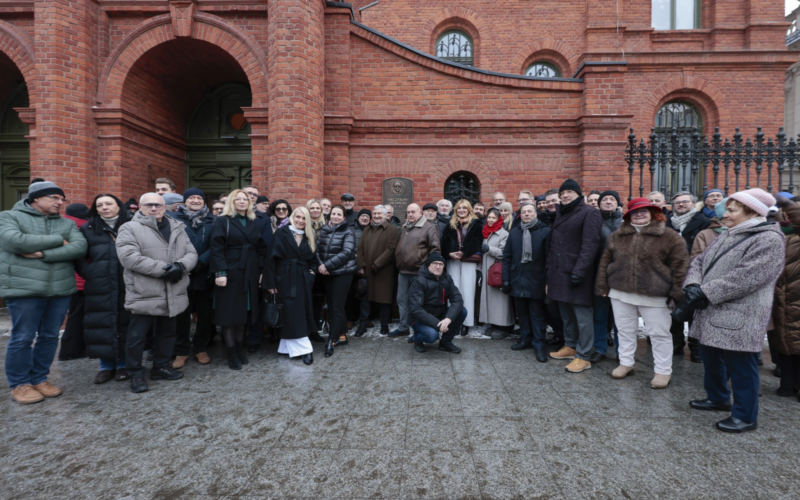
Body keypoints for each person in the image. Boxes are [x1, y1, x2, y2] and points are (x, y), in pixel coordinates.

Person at [684, 189, 784, 433]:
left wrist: (705, 292)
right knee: (711, 356)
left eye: (731, 210)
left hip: (740, 313)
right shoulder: (729, 233)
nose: (725, 214)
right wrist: (694, 284)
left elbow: (748, 277)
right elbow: (699, 261)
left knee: (741, 365)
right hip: (712, 309)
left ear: (752, 212)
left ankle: (745, 416)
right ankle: (718, 398)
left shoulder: (768, 239)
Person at [0, 181, 88, 404]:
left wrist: (41, 254)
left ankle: (40, 378)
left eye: (61, 199)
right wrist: (59, 241)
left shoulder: (67, 223)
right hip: (24, 289)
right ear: (36, 198)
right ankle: (20, 384)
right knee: (22, 337)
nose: (60, 203)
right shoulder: (9, 217)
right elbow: (14, 241)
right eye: (54, 198)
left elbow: (79, 247)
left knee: (49, 337)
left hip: (59, 289)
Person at [595, 198, 689, 388]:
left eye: (644, 211)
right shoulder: (617, 236)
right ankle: (626, 363)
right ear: (628, 215)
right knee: (624, 330)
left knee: (659, 334)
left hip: (655, 294)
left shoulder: (669, 236)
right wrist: (603, 285)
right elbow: (605, 262)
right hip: (620, 292)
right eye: (635, 212)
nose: (639, 214)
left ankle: (663, 371)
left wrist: (676, 292)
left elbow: (681, 266)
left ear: (654, 213)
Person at [116, 193, 197, 393]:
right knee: (137, 336)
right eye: (149, 205)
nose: (154, 208)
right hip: (145, 290)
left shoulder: (177, 227)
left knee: (168, 332)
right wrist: (166, 269)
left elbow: (191, 253)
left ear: (165, 207)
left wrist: (180, 266)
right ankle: (135, 374)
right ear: (141, 207)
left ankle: (161, 366)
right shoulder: (129, 228)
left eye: (158, 205)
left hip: (173, 289)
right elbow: (129, 258)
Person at [75, 194, 132, 384]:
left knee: (126, 321)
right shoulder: (88, 228)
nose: (104, 207)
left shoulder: (132, 224)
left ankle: (124, 363)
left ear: (119, 205)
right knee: (101, 322)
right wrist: (89, 272)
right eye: (99, 205)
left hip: (128, 282)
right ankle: (105, 365)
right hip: (100, 284)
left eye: (109, 203)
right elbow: (79, 256)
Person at [209, 189, 269, 370]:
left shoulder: (253, 222)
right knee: (229, 314)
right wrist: (220, 273)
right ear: (232, 202)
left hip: (249, 272)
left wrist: (260, 271)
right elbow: (216, 249)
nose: (242, 202)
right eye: (238, 199)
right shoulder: (222, 221)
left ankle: (238, 349)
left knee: (243, 314)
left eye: (245, 199)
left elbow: (261, 248)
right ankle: (230, 353)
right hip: (230, 272)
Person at [548, 179, 602, 373]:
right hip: (559, 273)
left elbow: (590, 245)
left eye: (570, 191)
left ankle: (584, 355)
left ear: (579, 195)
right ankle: (570, 345)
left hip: (578, 273)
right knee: (566, 314)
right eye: (563, 192)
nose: (565, 195)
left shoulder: (590, 213)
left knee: (582, 316)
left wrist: (580, 271)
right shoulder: (562, 213)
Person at [266, 207, 318, 365]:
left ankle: (286, 347)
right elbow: (270, 259)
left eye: (304, 218)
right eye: (298, 217)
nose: (300, 221)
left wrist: (312, 273)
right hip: (284, 277)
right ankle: (304, 349)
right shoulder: (282, 233)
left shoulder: (309, 236)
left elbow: (314, 259)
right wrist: (271, 283)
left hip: (303, 278)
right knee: (290, 311)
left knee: (299, 311)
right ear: (292, 217)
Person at [172, 188, 216, 368]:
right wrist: (185, 263)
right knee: (181, 315)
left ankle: (200, 348)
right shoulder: (173, 218)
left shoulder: (214, 220)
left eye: (199, 197)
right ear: (185, 201)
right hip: (182, 273)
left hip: (204, 273)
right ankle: (181, 351)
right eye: (192, 197)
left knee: (206, 315)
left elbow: (218, 244)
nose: (196, 200)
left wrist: (202, 261)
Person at [500, 203, 551, 362]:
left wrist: (547, 281)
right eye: (524, 212)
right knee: (522, 313)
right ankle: (525, 339)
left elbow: (549, 259)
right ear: (520, 215)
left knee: (537, 314)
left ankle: (539, 344)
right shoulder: (514, 232)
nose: (527, 214)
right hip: (517, 278)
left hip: (536, 279)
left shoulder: (545, 231)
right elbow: (507, 257)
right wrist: (506, 279)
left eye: (530, 211)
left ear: (535, 214)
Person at [667, 191, 711, 360]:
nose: (681, 205)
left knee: (695, 310)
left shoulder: (704, 222)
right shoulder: (669, 223)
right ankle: (676, 343)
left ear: (693, 204)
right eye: (677, 203)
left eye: (685, 202)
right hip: (672, 272)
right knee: (675, 308)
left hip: (696, 272)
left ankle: (695, 347)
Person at [390, 203, 440, 337]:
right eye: (408, 212)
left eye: (413, 212)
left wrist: (429, 270)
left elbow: (435, 250)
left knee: (418, 303)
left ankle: (417, 330)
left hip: (419, 272)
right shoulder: (405, 227)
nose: (410, 214)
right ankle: (403, 327)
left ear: (420, 213)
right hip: (403, 272)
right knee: (402, 301)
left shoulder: (429, 227)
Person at [316, 205, 358, 357]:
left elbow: (347, 253)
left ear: (344, 217)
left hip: (342, 273)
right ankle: (342, 335)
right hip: (327, 273)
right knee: (334, 305)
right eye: (333, 214)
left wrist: (327, 265)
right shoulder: (324, 230)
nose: (335, 216)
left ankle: (331, 341)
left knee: (337, 307)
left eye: (339, 214)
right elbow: (317, 250)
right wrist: (321, 266)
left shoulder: (348, 231)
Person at [408, 252, 467, 353]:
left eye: (441, 264)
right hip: (420, 319)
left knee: (462, 311)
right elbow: (416, 309)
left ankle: (445, 342)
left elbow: (457, 299)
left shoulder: (447, 279)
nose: (438, 266)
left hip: (439, 314)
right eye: (435, 263)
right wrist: (438, 325)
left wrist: (448, 318)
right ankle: (417, 339)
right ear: (428, 265)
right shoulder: (419, 281)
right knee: (432, 335)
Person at [440, 199, 483, 336]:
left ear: (469, 209)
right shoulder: (451, 224)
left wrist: (464, 252)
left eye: (464, 208)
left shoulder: (476, 223)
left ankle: (466, 323)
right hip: (453, 261)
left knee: (468, 292)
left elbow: (477, 242)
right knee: (453, 291)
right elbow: (444, 242)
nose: (461, 210)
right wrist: (449, 253)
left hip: (468, 261)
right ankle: (452, 321)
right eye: (459, 208)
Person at [591, 190, 624, 363]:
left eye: (612, 199)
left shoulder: (627, 222)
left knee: (621, 317)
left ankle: (622, 352)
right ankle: (600, 348)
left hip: (622, 277)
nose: (608, 202)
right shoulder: (593, 222)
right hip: (599, 275)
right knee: (600, 315)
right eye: (605, 199)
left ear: (618, 203)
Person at [356, 205, 399, 335]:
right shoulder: (367, 230)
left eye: (380, 214)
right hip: (367, 270)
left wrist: (378, 264)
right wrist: (361, 266)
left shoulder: (392, 230)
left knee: (384, 299)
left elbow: (391, 249)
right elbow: (360, 249)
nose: (377, 216)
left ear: (386, 215)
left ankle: (384, 324)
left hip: (384, 271)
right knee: (365, 299)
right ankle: (363, 324)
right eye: (375, 214)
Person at [59, 203, 90, 361]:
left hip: (68, 279)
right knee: (78, 317)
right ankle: (71, 351)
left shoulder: (62, 225)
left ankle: (71, 350)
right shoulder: (84, 227)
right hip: (82, 280)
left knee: (74, 316)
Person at [479, 208, 514, 339]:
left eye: (493, 218)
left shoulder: (503, 233)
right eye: (489, 217)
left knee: (500, 299)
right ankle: (494, 323)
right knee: (490, 298)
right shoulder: (485, 232)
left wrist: (489, 249)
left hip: (498, 270)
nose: (490, 220)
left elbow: (505, 252)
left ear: (499, 219)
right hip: (486, 269)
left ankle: (504, 325)